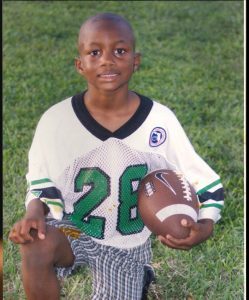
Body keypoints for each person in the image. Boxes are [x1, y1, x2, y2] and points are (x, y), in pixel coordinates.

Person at [9, 12, 224, 300]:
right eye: (94, 52)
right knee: (37, 243)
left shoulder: (159, 121)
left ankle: (139, 274)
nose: (107, 60)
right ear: (80, 64)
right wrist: (34, 213)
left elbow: (204, 182)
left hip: (126, 245)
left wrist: (206, 225)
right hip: (75, 231)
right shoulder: (57, 121)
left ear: (136, 60)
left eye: (119, 51)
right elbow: (41, 181)